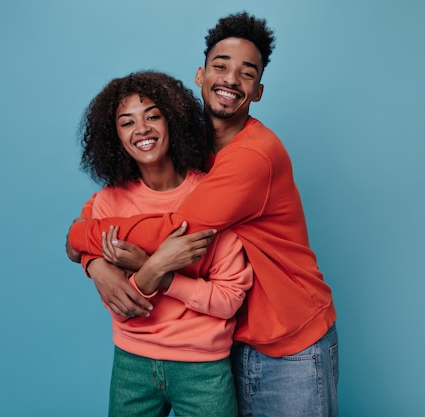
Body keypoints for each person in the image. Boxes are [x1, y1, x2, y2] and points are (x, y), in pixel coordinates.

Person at [68, 12, 339, 417]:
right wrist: (94, 262)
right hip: (227, 339)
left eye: (247, 73)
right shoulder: (186, 143)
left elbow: (170, 231)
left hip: (288, 340)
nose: (231, 79)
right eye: (220, 66)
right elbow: (102, 210)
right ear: (200, 74)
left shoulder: (252, 156)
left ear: (258, 91)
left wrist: (79, 241)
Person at [74, 70, 252, 417]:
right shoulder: (108, 204)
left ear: (172, 120)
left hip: (203, 369)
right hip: (132, 363)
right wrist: (153, 265)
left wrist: (160, 275)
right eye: (127, 123)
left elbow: (229, 299)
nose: (142, 129)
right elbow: (123, 306)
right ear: (116, 137)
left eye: (152, 116)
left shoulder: (211, 196)